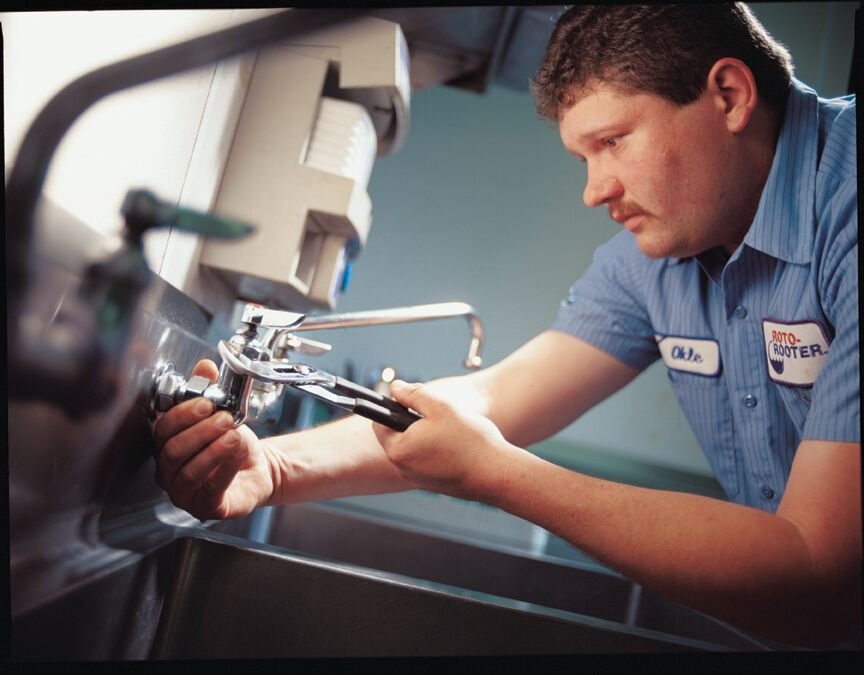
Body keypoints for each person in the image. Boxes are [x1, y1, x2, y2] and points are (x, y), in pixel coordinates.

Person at [152, 3, 860, 647]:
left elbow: (816, 577)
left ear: (729, 95)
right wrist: (272, 468)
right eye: (584, 157)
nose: (594, 191)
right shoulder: (659, 257)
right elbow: (493, 400)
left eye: (613, 141)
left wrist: (499, 474)